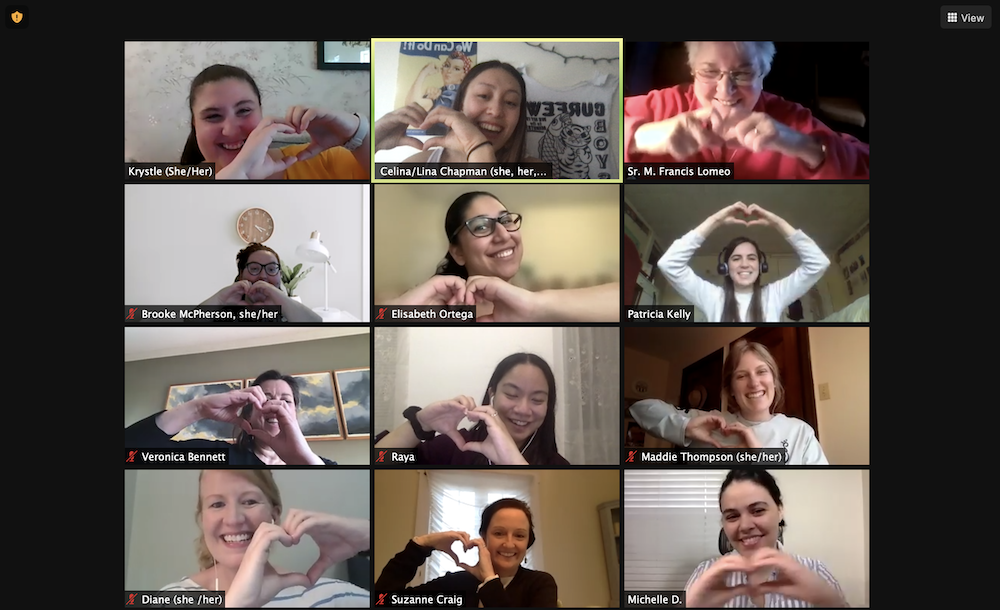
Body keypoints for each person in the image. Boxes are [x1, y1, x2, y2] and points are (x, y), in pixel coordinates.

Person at [624, 42, 869, 179]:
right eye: (709, 72)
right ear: (692, 70)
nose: (725, 90)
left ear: (763, 73)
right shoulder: (663, 105)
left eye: (742, 74)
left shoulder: (791, 120)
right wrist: (638, 137)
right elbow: (588, 134)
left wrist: (805, 147)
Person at [384, 191, 619, 322]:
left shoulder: (534, 303)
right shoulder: (428, 307)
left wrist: (534, 306)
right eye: (481, 226)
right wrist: (401, 310)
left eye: (506, 220)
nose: (503, 234)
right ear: (458, 252)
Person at [157, 470, 369, 607]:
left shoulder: (331, 596)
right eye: (217, 504)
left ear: (274, 515)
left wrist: (368, 535)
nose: (233, 519)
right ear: (203, 520)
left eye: (249, 501)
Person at [629, 339, 828, 465]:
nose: (754, 383)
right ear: (731, 389)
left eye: (761, 372)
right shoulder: (712, 424)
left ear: (774, 381)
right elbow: (641, 409)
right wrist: (686, 427)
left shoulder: (800, 433)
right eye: (742, 376)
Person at [684, 469, 849, 607]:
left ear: (780, 510)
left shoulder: (816, 571)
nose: (745, 526)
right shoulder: (704, 574)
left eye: (757, 511)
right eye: (732, 516)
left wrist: (832, 603)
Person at [179, 64, 370, 180]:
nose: (229, 130)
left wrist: (358, 132)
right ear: (195, 124)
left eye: (244, 110)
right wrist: (240, 174)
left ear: (261, 113)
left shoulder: (322, 160)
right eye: (212, 116)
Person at [374, 353, 570, 465]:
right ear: (492, 393)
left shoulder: (558, 466)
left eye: (537, 400)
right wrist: (421, 423)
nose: (523, 409)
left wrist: (513, 461)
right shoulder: (454, 447)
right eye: (511, 395)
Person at [660, 201, 830, 323]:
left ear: (761, 266)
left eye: (751, 258)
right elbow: (669, 264)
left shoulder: (775, 295)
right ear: (725, 267)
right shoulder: (712, 297)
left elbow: (819, 263)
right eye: (736, 258)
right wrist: (715, 221)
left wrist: (778, 223)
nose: (744, 264)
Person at [125, 370, 337, 465]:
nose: (275, 407)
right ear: (249, 413)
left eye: (285, 401)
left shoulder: (322, 465)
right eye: (266, 399)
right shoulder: (218, 457)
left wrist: (305, 461)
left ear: (295, 413)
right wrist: (199, 408)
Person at [375, 498, 558, 607]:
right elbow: (382, 601)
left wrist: (489, 582)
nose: (509, 544)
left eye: (519, 535)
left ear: (528, 542)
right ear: (484, 537)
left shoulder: (540, 584)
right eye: (499, 533)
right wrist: (422, 544)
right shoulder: (456, 584)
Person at [374, 61, 543, 165]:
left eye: (511, 103)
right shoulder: (417, 166)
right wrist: (371, 143)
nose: (496, 111)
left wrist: (477, 150)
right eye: (483, 96)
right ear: (461, 102)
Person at [201, 242, 323, 323]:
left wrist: (282, 302)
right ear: (240, 275)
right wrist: (220, 300)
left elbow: (317, 325)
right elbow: (190, 323)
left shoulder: (289, 309)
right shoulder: (225, 309)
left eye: (271, 269)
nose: (263, 276)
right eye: (254, 268)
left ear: (279, 276)